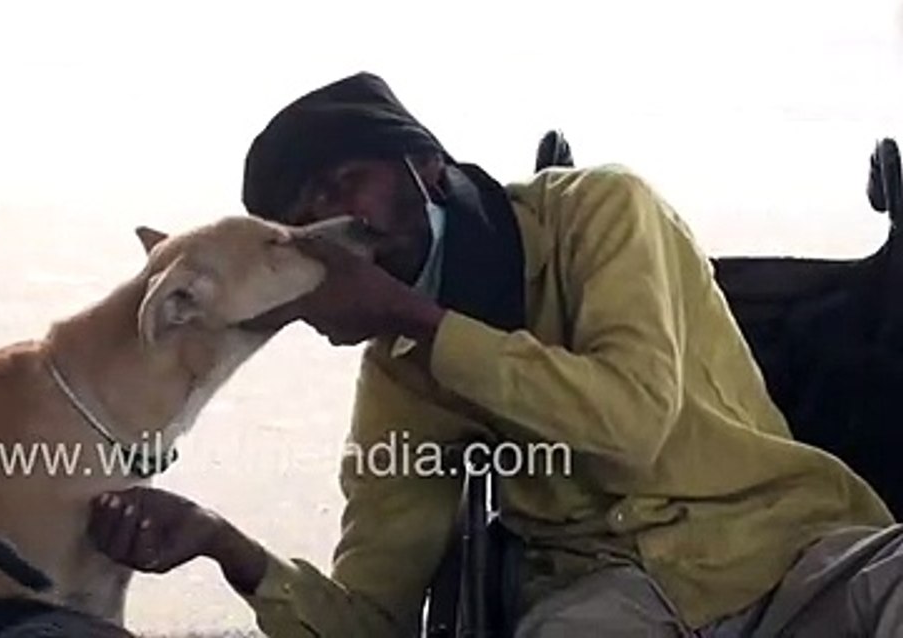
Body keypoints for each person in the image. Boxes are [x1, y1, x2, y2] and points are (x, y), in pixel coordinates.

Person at [86, 71, 903, 636]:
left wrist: (418, 317)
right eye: (304, 222)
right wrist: (225, 545)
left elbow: (631, 429)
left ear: (428, 167)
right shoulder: (399, 376)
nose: (332, 224)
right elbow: (374, 618)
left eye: (342, 183)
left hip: (792, 559)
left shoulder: (599, 214)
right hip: (607, 606)